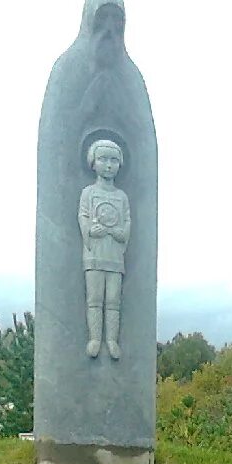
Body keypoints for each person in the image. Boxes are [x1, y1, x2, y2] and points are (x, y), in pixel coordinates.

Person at [78, 139, 130, 359]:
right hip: (95, 254)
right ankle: (95, 338)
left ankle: (111, 339)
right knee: (95, 298)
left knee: (113, 300)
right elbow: (83, 216)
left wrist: (121, 233)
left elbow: (127, 221)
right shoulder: (88, 193)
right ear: (93, 162)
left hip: (115, 255)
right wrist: (91, 230)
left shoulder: (121, 197)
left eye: (113, 160)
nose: (109, 165)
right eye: (103, 159)